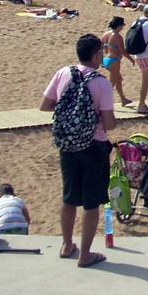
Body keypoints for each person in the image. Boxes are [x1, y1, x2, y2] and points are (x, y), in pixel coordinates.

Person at [40, 33, 116, 268]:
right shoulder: (101, 82)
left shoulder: (63, 73)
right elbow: (109, 122)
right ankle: (85, 254)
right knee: (92, 202)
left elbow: (46, 105)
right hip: (93, 145)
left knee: (70, 196)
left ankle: (66, 244)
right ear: (95, 55)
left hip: (67, 143)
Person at [100, 16, 134, 106]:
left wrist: (101, 61)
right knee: (111, 84)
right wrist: (131, 59)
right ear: (118, 26)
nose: (122, 27)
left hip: (106, 60)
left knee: (118, 79)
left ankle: (123, 99)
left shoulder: (105, 34)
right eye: (122, 25)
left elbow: (100, 49)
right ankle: (103, 103)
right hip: (114, 60)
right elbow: (122, 51)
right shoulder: (118, 37)